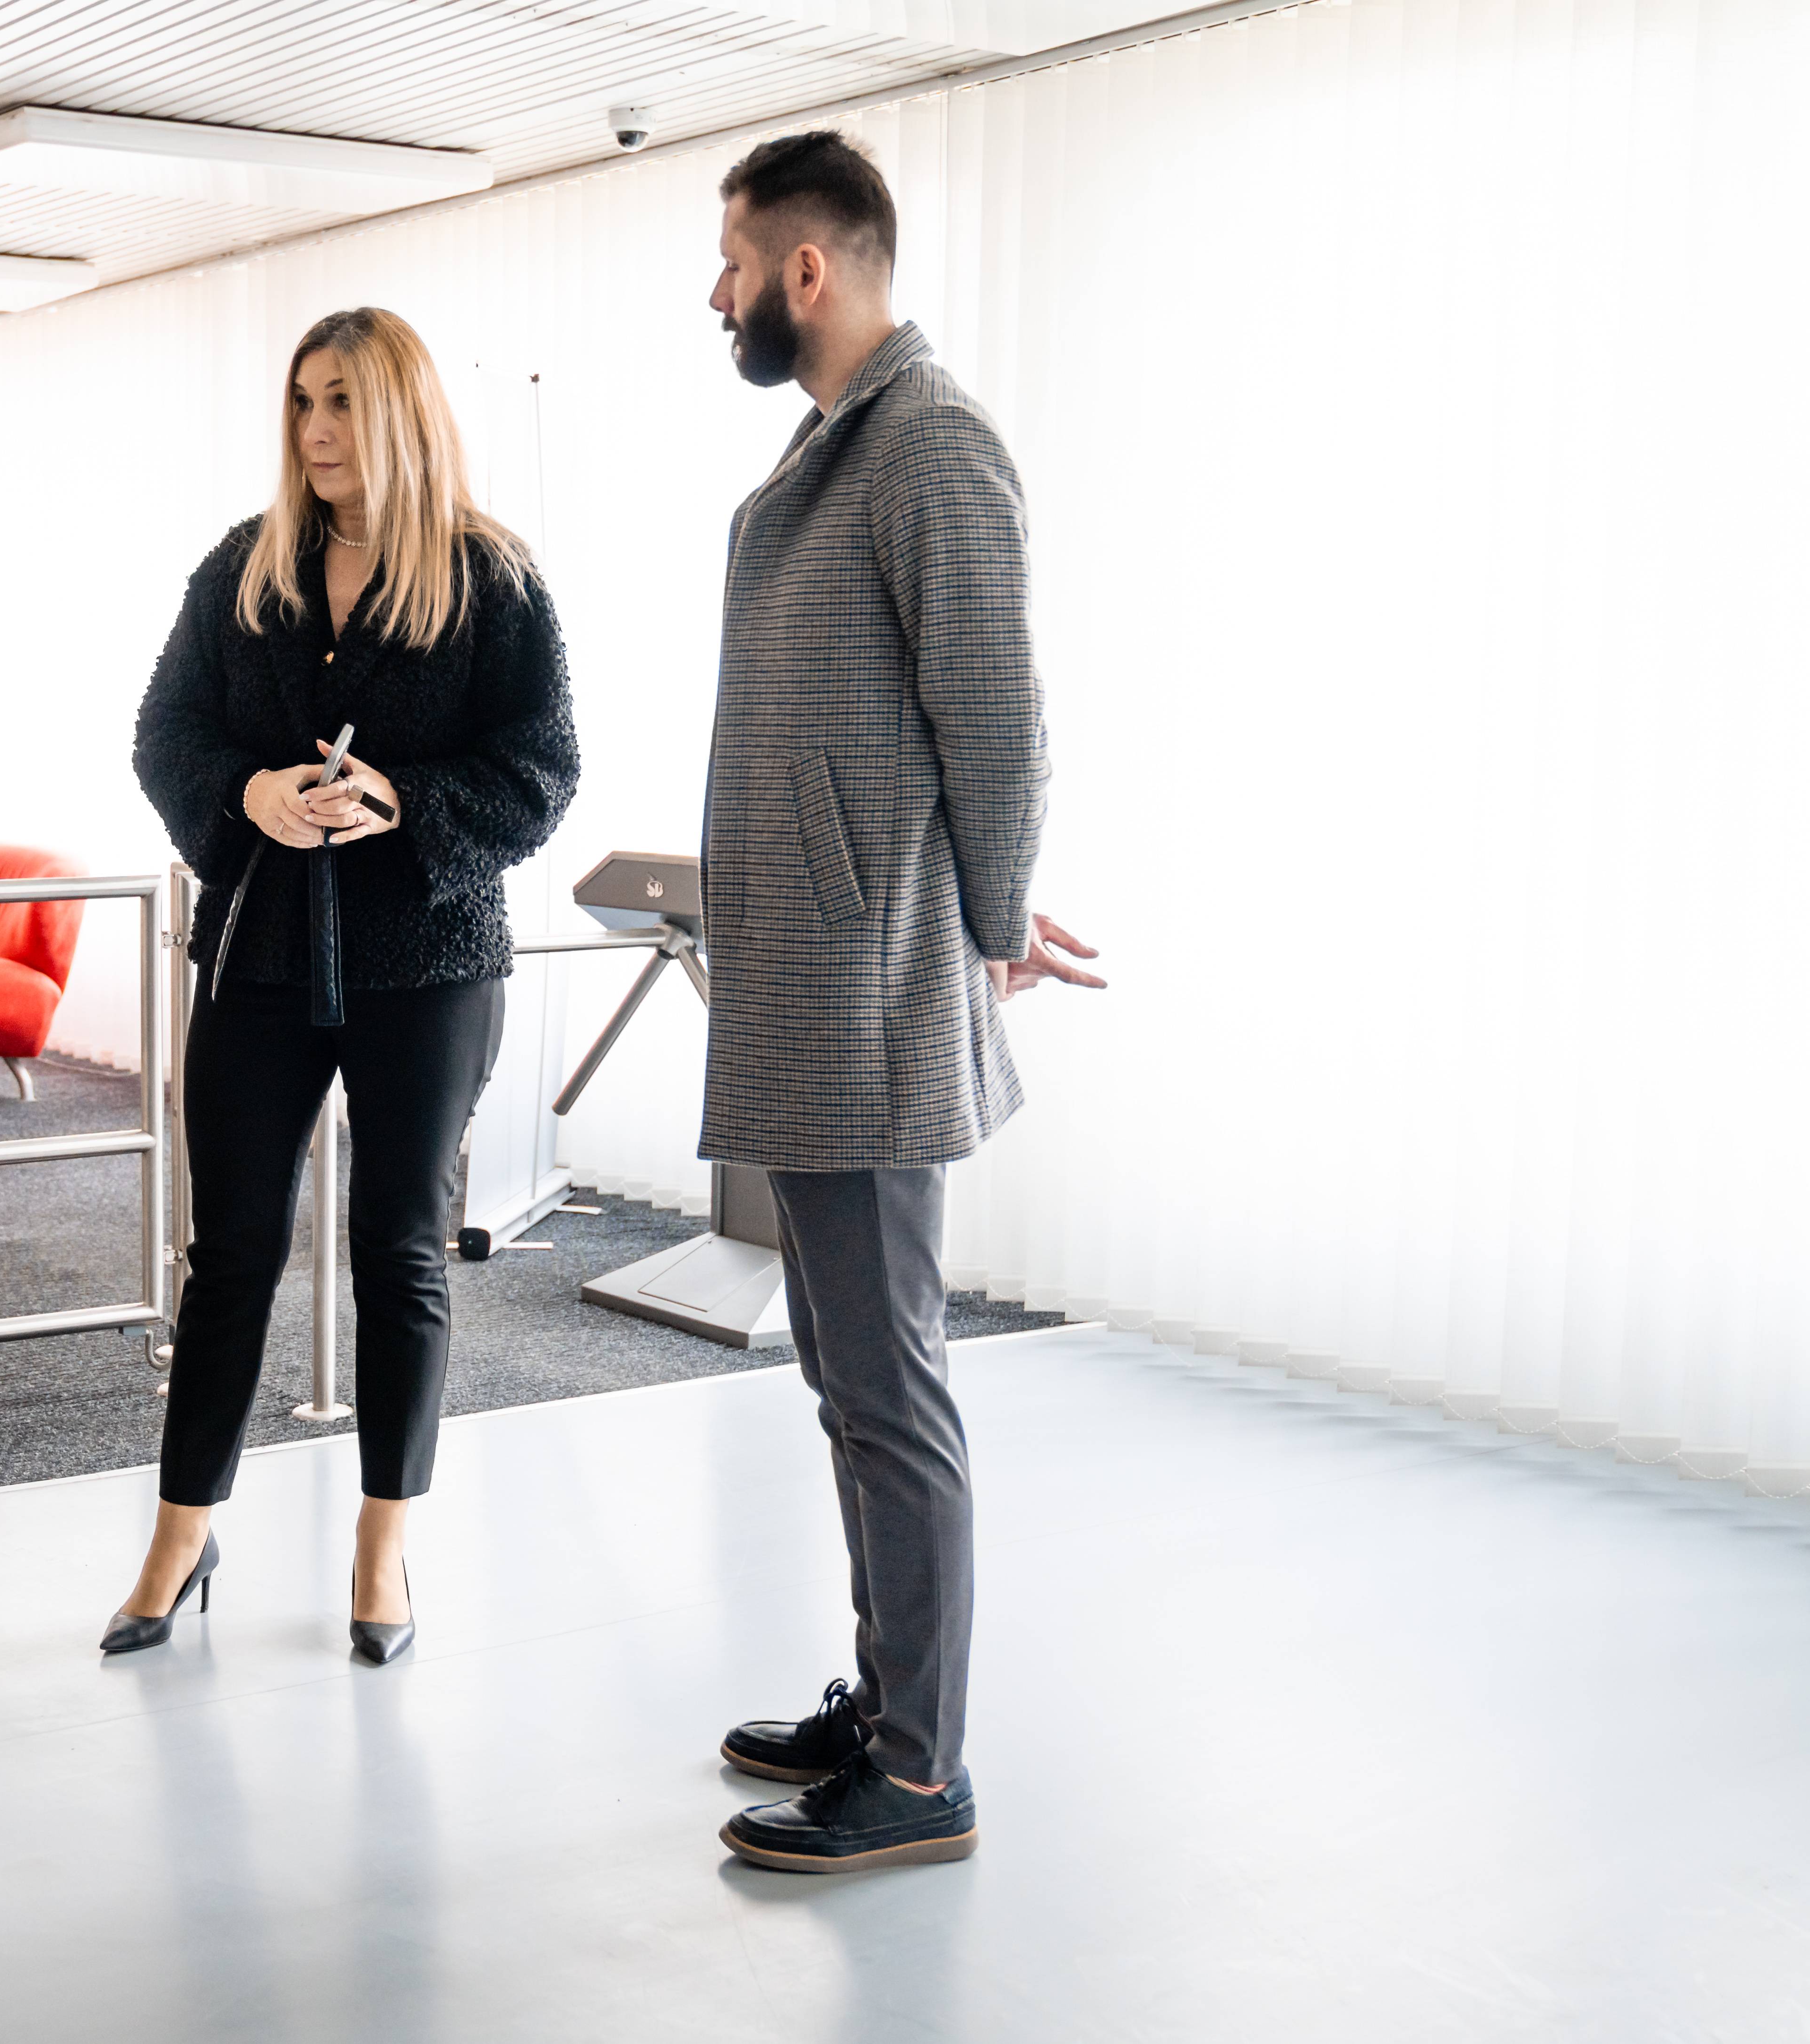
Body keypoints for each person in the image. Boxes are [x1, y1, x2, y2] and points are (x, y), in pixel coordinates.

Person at [693, 134, 1105, 1874]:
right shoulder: (839, 441)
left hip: (866, 993)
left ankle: (923, 1772)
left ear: (809, 270)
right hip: (819, 978)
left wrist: (990, 919)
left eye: (731, 262)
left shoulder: (932, 443)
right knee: (847, 1374)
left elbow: (999, 725)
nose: (716, 294)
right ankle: (885, 1705)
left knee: (889, 1383)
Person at [121, 306, 579, 1662]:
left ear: (401, 413)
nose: (316, 431)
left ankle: (384, 1547)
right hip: (259, 950)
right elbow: (164, 733)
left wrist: (405, 801)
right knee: (230, 1254)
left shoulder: (493, 578)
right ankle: (181, 1535)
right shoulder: (246, 566)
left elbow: (543, 767)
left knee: (400, 1247)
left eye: (341, 402)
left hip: (426, 958)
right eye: (303, 402)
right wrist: (248, 794)